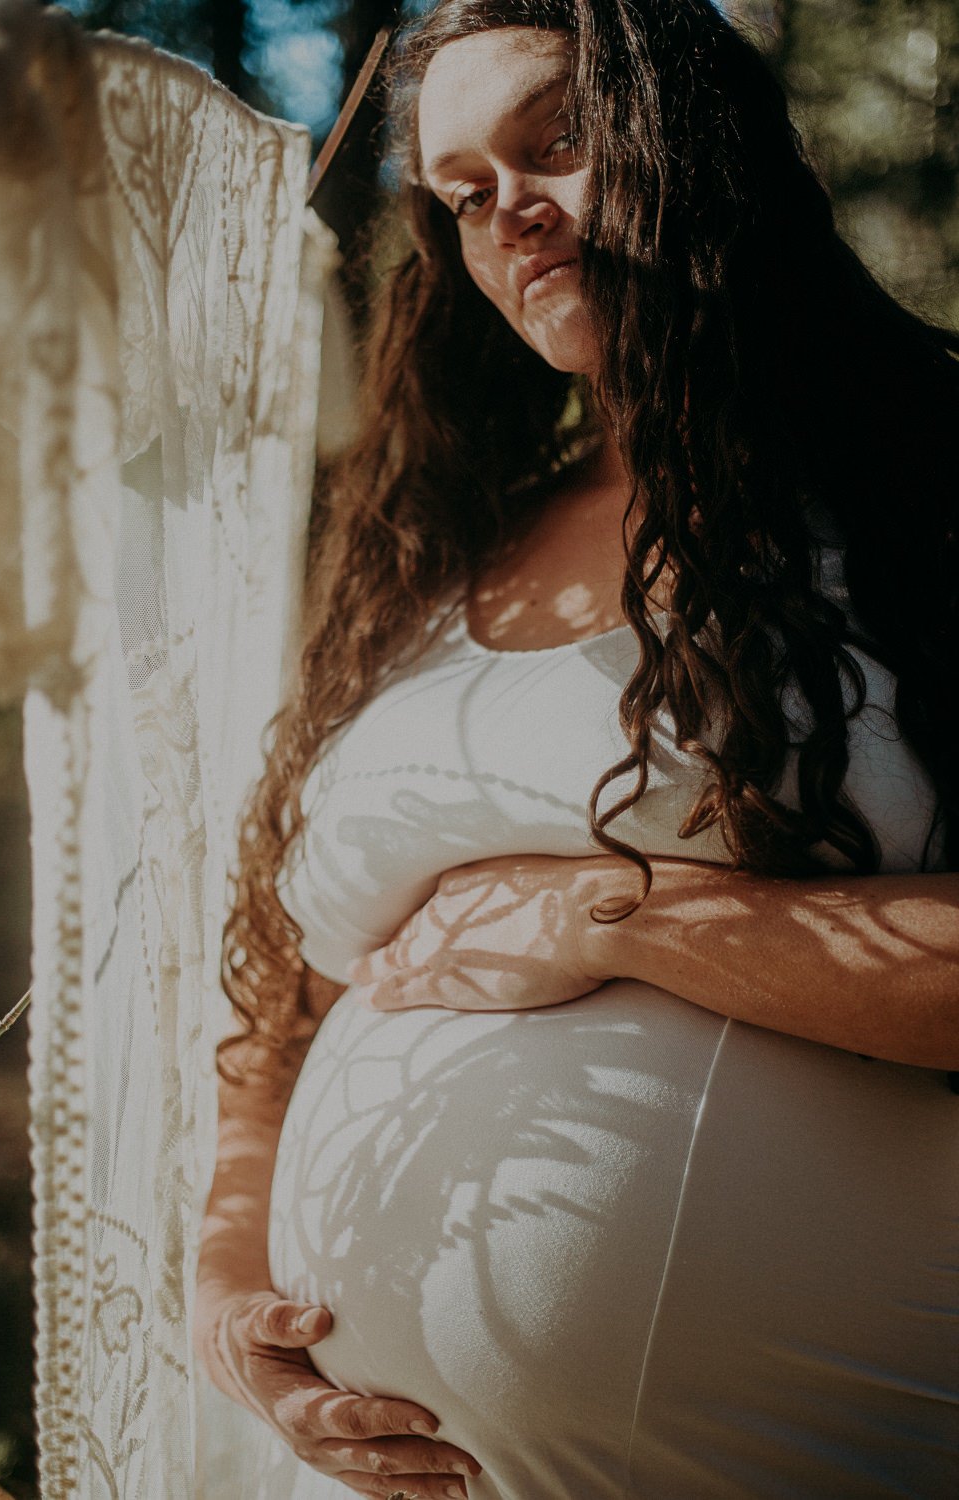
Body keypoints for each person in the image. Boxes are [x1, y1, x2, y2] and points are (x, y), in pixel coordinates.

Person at [194, 2, 959, 1496]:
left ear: (700, 142)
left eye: (558, 145)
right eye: (464, 193)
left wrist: (615, 917)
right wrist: (233, 1305)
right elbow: (280, 1009)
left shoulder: (920, 485)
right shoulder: (426, 555)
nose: (512, 215)